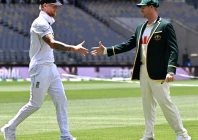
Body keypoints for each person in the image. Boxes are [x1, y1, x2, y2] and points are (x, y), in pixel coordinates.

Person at [91, 0, 191, 140]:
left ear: (151, 7)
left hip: (159, 72)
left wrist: (170, 70)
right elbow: (129, 44)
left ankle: (183, 134)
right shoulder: (141, 27)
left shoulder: (165, 25)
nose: (141, 10)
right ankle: (148, 135)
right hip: (143, 70)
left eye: (143, 7)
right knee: (147, 105)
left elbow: (173, 50)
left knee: (165, 103)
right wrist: (107, 50)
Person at [1, 0, 88, 140]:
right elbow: (52, 43)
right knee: (35, 104)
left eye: (57, 6)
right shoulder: (40, 22)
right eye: (54, 6)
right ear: (44, 6)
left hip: (50, 67)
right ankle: (9, 128)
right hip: (40, 68)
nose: (56, 9)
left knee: (61, 100)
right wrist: (73, 48)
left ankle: (65, 136)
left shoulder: (46, 22)